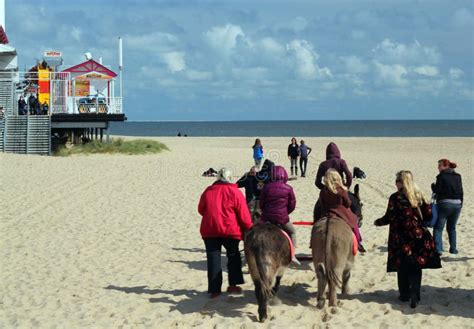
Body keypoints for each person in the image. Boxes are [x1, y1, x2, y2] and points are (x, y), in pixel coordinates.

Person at [374, 170, 441, 308]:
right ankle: (415, 293)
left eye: (397, 181)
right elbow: (428, 215)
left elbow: (389, 217)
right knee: (416, 265)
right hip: (419, 235)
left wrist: (378, 222)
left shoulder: (395, 197)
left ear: (401, 182)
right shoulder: (419, 195)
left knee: (402, 265)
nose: (395, 183)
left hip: (401, 237)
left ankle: (405, 295)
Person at [198, 168, 253, 298]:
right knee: (233, 257)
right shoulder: (235, 192)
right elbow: (243, 214)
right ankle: (233, 286)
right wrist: (248, 227)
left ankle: (215, 290)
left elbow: (201, 209)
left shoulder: (208, 190)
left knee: (213, 259)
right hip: (230, 230)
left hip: (210, 229)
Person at [259, 165, 299, 264]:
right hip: (282, 218)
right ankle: (292, 254)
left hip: (267, 217)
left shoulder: (266, 187)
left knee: (255, 231)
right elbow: (292, 204)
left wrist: (265, 212)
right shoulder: (288, 188)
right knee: (292, 232)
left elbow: (261, 203)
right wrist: (285, 212)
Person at [319, 169, 365, 252]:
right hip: (341, 213)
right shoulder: (341, 191)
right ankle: (358, 242)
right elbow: (348, 203)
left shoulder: (322, 192)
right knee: (354, 223)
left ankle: (313, 243)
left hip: (327, 213)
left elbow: (322, 204)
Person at [431, 159, 463, 255]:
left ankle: (439, 249)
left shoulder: (441, 176)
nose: (438, 167)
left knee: (438, 228)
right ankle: (453, 249)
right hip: (457, 204)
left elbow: (437, 190)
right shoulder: (458, 176)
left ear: (446, 166)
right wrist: (461, 204)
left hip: (445, 204)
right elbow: (461, 191)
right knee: (452, 228)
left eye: (440, 165)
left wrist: (433, 186)